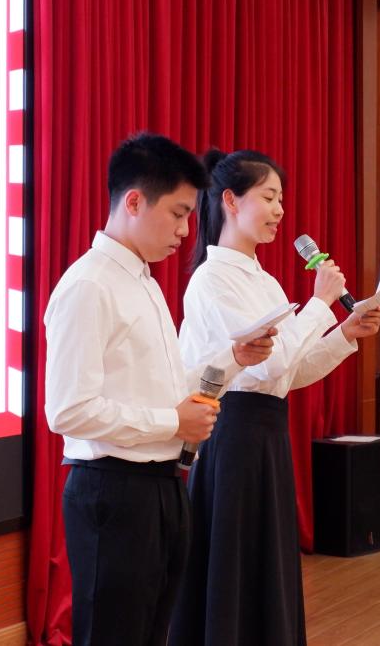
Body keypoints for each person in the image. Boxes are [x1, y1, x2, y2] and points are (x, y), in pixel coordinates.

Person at [44, 133, 277, 646]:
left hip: (162, 486)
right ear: (133, 202)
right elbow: (68, 411)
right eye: (177, 214)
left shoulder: (144, 282)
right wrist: (173, 422)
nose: (185, 230)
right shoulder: (89, 285)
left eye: (189, 215)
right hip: (112, 490)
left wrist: (233, 358)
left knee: (152, 632)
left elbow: (168, 386)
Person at [169, 149, 380, 646]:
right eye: (269, 197)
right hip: (232, 435)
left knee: (266, 570)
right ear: (230, 201)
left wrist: (344, 333)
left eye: (281, 199)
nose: (280, 210)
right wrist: (320, 302)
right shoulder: (212, 279)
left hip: (267, 434)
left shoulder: (263, 280)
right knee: (233, 567)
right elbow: (266, 364)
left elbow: (289, 372)